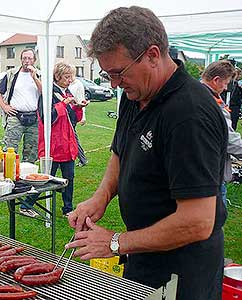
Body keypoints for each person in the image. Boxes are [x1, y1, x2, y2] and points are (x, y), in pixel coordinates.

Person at [65, 6, 227, 300]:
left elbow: (198, 221)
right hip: (143, 257)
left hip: (183, 273)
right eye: (107, 74)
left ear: (152, 55)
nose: (113, 83)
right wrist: (100, 197)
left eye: (118, 72)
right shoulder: (135, 93)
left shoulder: (189, 115)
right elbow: (119, 152)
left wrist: (115, 242)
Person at [21, 62, 84, 218]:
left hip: (67, 143)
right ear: (57, 76)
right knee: (44, 178)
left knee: (69, 178)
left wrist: (78, 107)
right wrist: (63, 104)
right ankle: (26, 204)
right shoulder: (47, 94)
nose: (70, 80)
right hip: (53, 144)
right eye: (67, 77)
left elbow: (73, 120)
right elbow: (46, 117)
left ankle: (68, 209)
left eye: (71, 77)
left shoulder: (66, 92)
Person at [201, 60, 242, 206]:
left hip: (200, 170)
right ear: (216, 80)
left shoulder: (193, 95)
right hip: (213, 173)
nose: (225, 88)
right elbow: (229, 140)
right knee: (216, 222)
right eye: (225, 83)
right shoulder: (212, 104)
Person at [0, 48, 42, 163]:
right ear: (21, 60)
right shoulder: (12, 74)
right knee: (9, 149)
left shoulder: (40, 75)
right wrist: (4, 107)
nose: (27, 61)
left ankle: (27, 176)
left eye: (29, 58)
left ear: (34, 60)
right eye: (24, 58)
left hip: (34, 118)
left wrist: (35, 78)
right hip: (15, 116)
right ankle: (8, 176)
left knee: (31, 152)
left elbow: (44, 93)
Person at [69, 77, 89, 167]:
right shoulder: (67, 84)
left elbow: (81, 100)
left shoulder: (78, 85)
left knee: (73, 138)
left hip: (73, 114)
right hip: (67, 114)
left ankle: (83, 159)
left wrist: (83, 117)